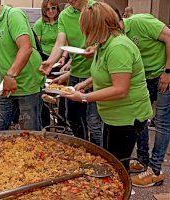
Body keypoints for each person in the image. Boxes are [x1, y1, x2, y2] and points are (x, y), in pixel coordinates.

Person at [62, 2, 153, 169]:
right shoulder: (104, 44)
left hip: (127, 116)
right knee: (111, 161)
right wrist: (85, 83)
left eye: (86, 27)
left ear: (96, 26)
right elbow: (104, 72)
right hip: (113, 116)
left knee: (118, 166)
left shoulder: (119, 47)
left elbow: (120, 89)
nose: (84, 32)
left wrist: (83, 97)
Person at [0, 0, 45, 131]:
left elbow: (25, 48)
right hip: (4, 85)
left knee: (31, 132)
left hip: (28, 84)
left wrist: (11, 75)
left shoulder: (13, 15)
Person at [39, 0, 103, 146]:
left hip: (97, 74)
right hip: (76, 71)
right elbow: (60, 42)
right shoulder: (65, 15)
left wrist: (95, 48)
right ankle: (83, 147)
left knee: (93, 121)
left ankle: (99, 153)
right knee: (72, 116)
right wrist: (50, 61)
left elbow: (107, 38)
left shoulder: (96, 8)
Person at [121, 13, 170, 187]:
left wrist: (168, 72)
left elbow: (169, 36)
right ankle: (143, 161)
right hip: (146, 77)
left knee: (163, 123)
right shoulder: (119, 36)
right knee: (140, 117)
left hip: (164, 74)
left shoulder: (140, 22)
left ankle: (155, 171)